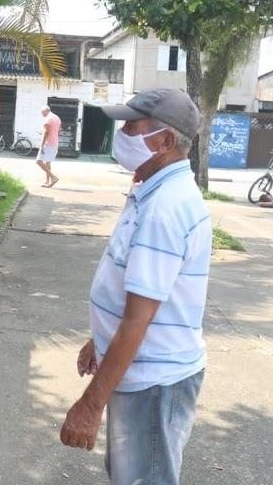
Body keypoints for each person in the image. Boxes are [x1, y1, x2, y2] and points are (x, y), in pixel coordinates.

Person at [60, 88, 211, 485]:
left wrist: (91, 405)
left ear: (164, 141)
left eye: (131, 126)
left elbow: (138, 320)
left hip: (155, 380)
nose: (122, 132)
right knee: (131, 475)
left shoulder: (166, 208)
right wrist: (101, 338)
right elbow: (137, 291)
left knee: (143, 479)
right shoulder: (153, 187)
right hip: (143, 371)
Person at [37, 105, 61, 187]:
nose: (42, 114)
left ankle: (53, 177)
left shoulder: (48, 119)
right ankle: (47, 182)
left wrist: (42, 145)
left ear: (46, 111)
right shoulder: (57, 118)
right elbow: (58, 131)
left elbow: (46, 133)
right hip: (55, 143)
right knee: (47, 162)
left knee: (38, 161)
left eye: (42, 112)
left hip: (48, 144)